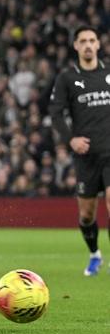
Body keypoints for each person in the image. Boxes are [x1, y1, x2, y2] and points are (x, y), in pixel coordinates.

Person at [49, 25, 110, 276]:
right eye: (83, 41)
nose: (88, 45)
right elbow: (55, 113)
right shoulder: (67, 78)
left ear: (98, 44)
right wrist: (71, 140)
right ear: (75, 46)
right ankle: (95, 254)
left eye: (92, 40)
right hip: (86, 157)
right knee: (86, 215)